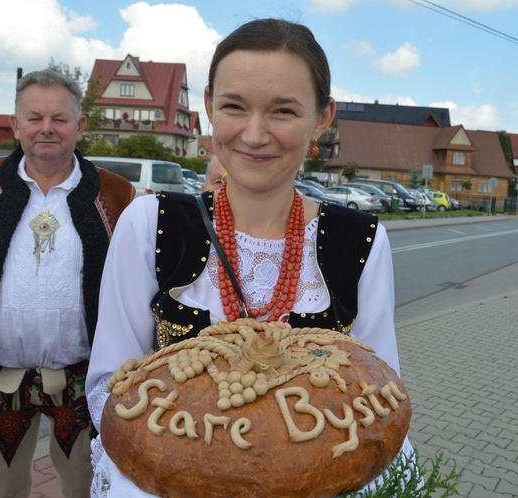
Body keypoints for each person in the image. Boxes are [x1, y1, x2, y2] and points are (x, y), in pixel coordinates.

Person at [86, 18, 414, 496]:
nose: (254, 135)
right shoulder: (149, 224)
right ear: (208, 107)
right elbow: (108, 387)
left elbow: (378, 392)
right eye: (234, 107)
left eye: (282, 111)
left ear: (322, 118)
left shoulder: (358, 239)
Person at [0, 69, 135, 498]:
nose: (46, 129)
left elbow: (133, 294)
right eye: (34, 118)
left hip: (84, 378)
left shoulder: (118, 194)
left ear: (80, 126)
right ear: (16, 126)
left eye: (59, 118)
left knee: (87, 485)